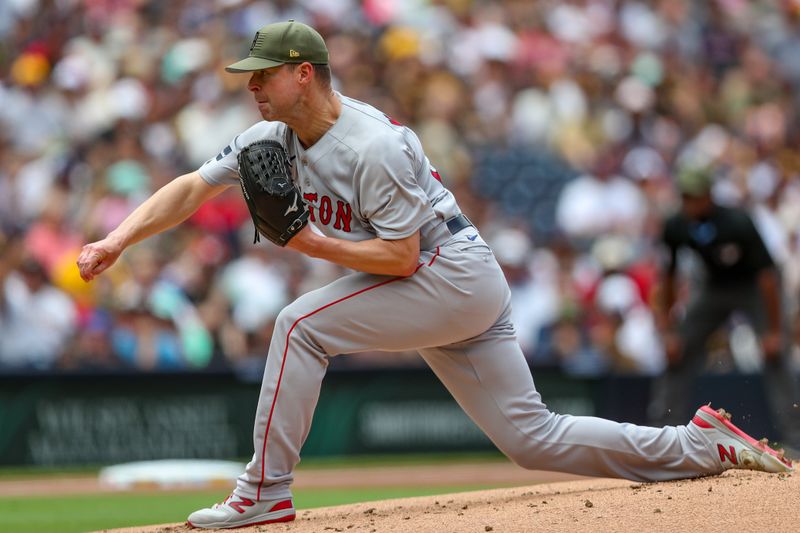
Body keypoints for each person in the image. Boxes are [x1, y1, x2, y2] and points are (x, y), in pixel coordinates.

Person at [77, 21, 794, 530]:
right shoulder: (270, 137)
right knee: (532, 438)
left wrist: (309, 242)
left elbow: (399, 256)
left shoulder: (375, 145)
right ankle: (698, 442)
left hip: (446, 272)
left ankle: (264, 490)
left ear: (304, 73)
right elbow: (192, 187)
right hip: (442, 283)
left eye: (262, 75)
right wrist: (118, 238)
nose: (252, 89)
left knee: (298, 325)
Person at [650, 166, 800, 448]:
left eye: (694, 196)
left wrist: (775, 331)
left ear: (708, 195)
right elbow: (668, 278)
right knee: (677, 349)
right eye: (684, 197)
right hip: (714, 287)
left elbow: (768, 278)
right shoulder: (676, 225)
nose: (689, 203)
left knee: (776, 354)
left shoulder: (737, 222)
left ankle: (797, 438)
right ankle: (662, 436)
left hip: (754, 287)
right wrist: (668, 331)